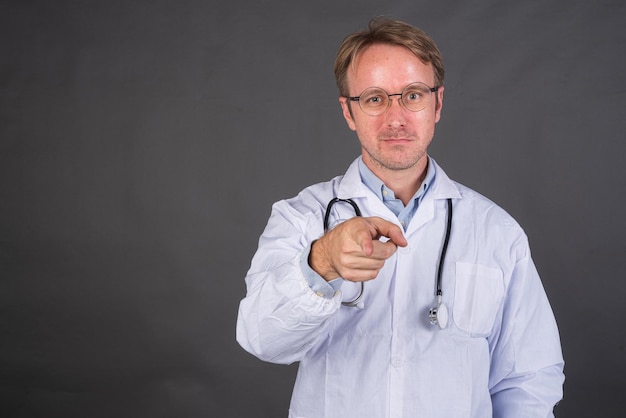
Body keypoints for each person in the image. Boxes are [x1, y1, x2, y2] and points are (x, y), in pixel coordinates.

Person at [236, 17, 564, 418]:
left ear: (437, 103)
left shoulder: (496, 232)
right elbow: (262, 340)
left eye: (412, 95)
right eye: (374, 98)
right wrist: (321, 262)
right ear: (348, 112)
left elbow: (527, 377)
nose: (396, 118)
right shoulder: (301, 217)